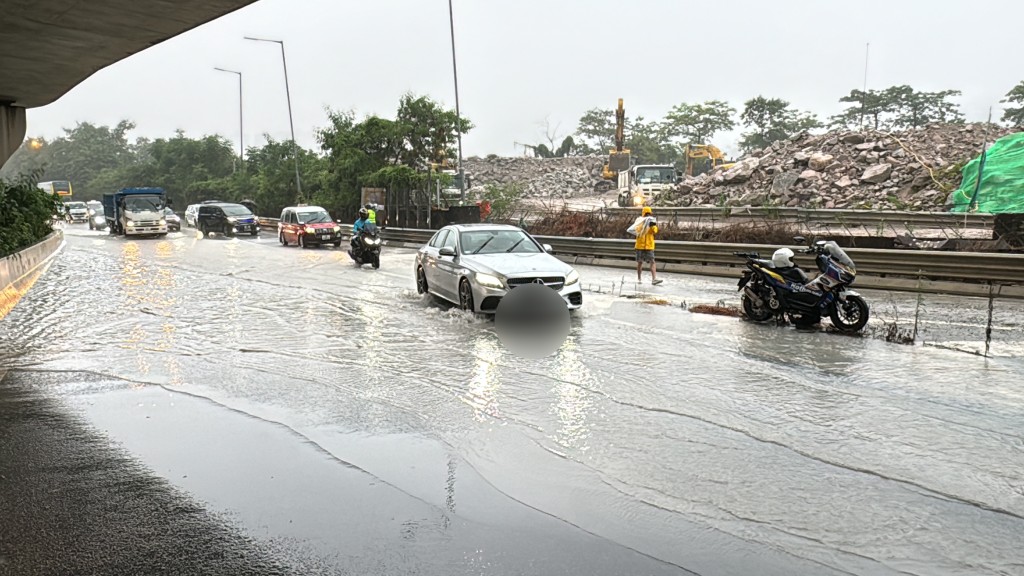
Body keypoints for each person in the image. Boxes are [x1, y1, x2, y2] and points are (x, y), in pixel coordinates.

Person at [634, 206, 663, 285]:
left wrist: (652, 225)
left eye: (648, 213)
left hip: (649, 245)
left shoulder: (652, 221)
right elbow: (636, 230)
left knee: (652, 261)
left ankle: (654, 279)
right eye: (646, 213)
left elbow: (655, 231)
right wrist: (644, 224)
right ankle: (639, 278)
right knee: (640, 262)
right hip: (640, 245)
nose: (647, 215)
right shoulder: (639, 220)